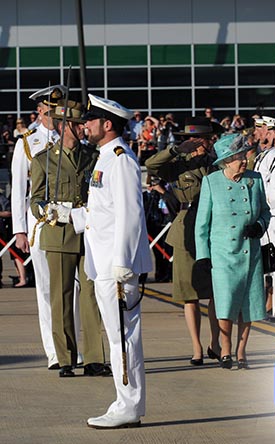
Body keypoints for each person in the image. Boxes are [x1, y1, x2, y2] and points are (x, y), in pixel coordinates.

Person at [69, 93, 152, 429]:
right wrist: (73, 215)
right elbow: (106, 210)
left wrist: (123, 261)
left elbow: (131, 214)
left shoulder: (120, 159)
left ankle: (129, 406)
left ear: (107, 124)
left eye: (90, 120)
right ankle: (124, 401)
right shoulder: (105, 158)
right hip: (103, 263)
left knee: (122, 338)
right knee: (118, 335)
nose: (84, 125)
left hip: (116, 266)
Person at [28, 98, 110, 378]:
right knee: (61, 298)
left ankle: (94, 358)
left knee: (92, 296)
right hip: (59, 234)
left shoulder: (93, 156)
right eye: (76, 124)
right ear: (64, 127)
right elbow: (35, 199)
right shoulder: (44, 160)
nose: (82, 127)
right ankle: (65, 358)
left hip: (88, 233)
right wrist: (50, 211)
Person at [145, 117, 225, 365]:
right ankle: (196, 347)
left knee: (215, 292)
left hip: (213, 227)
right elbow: (150, 165)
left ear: (209, 140)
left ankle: (215, 342)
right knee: (188, 293)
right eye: (189, 140)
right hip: (185, 227)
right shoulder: (178, 164)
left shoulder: (217, 163)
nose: (196, 145)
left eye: (199, 140)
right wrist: (177, 150)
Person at [195, 134, 270, 369]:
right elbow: (202, 225)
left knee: (249, 303)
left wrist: (260, 225)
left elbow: (265, 211)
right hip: (223, 254)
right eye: (238, 157)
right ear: (226, 161)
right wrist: (203, 257)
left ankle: (242, 349)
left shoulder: (255, 180)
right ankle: (225, 346)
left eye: (244, 155)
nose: (244, 160)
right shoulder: (211, 182)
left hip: (250, 252)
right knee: (226, 302)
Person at [10, 85, 64, 369]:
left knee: (72, 288)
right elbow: (19, 189)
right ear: (40, 113)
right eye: (50, 111)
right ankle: (54, 352)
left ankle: (71, 347)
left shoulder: (72, 139)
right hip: (40, 223)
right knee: (45, 288)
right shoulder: (27, 142)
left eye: (59, 111)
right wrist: (19, 229)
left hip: (70, 223)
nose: (55, 117)